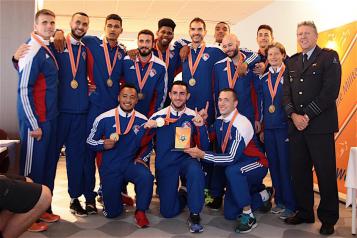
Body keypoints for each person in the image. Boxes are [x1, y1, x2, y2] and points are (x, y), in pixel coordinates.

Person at [54, 14, 130, 213]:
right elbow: (71, 36)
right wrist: (57, 32)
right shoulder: (90, 43)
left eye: (117, 26)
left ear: (121, 30)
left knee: (111, 155)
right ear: (104, 28)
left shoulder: (123, 53)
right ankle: (81, 197)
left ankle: (104, 193)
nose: (113, 29)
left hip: (112, 112)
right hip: (92, 110)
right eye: (110, 26)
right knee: (84, 156)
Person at [283, 21, 341, 235]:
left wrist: (306, 115)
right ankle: (305, 212)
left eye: (307, 33)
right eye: (299, 34)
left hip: (320, 127)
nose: (302, 37)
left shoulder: (328, 57)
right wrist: (293, 115)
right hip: (296, 127)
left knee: (325, 174)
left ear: (316, 36)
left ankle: (328, 218)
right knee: (299, 173)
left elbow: (330, 91)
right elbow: (286, 93)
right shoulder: (292, 61)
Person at [184, 88, 270, 233]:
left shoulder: (241, 124)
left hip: (256, 164)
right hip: (237, 167)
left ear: (235, 103)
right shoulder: (219, 121)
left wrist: (203, 155)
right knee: (230, 213)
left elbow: (230, 158)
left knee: (232, 171)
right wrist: (201, 124)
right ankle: (263, 194)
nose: (221, 103)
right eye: (219, 99)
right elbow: (207, 141)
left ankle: (249, 216)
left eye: (226, 100)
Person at [208, 33, 265, 210]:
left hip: (246, 118)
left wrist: (257, 118)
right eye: (225, 46)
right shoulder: (218, 66)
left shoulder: (251, 62)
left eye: (231, 45)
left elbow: (257, 92)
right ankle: (217, 194)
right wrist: (218, 119)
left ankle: (258, 191)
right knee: (222, 152)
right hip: (225, 120)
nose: (228, 49)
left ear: (238, 43)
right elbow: (215, 92)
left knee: (244, 156)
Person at [144, 81, 209, 233]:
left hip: (186, 159)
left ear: (188, 96)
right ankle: (184, 194)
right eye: (175, 93)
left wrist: (200, 126)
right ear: (169, 95)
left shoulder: (193, 116)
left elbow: (204, 146)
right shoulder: (158, 116)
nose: (178, 97)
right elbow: (143, 142)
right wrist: (148, 128)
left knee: (195, 171)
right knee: (168, 212)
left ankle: (194, 214)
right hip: (166, 163)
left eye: (182, 94)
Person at [16, 9, 60, 230]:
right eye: (45, 22)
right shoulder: (32, 48)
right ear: (35, 26)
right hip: (37, 122)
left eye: (52, 22)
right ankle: (25, 217)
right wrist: (34, 124)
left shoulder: (45, 46)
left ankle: (42, 211)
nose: (50, 26)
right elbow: (24, 89)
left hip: (49, 119)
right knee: (31, 171)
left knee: (45, 168)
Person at [86, 84, 154, 227]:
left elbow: (148, 144)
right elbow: (90, 141)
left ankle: (140, 211)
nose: (128, 100)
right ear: (118, 97)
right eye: (124, 96)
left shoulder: (143, 120)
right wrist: (103, 144)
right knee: (112, 213)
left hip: (130, 164)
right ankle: (116, 197)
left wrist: (142, 157)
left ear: (136, 101)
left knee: (146, 176)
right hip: (110, 167)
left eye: (132, 97)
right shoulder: (104, 118)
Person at [259, 42, 296, 219]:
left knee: (286, 166)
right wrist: (263, 127)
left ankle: (291, 203)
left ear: (283, 55)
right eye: (270, 55)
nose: (273, 57)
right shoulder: (264, 78)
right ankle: (279, 201)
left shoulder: (289, 75)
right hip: (270, 128)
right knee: (273, 166)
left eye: (276, 54)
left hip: (284, 128)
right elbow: (262, 104)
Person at [123, 29, 168, 117]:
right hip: (126, 112)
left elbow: (161, 95)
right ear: (137, 43)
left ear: (153, 44)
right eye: (141, 41)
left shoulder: (160, 66)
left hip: (148, 114)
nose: (144, 45)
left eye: (147, 41)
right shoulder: (126, 61)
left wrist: (153, 115)